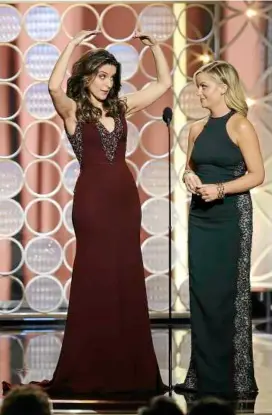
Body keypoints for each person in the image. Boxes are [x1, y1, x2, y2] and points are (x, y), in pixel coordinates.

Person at [2, 29, 171, 399]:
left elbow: (163, 83)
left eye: (112, 77)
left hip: (125, 201)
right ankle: (89, 365)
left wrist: (156, 48)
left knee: (125, 277)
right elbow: (52, 86)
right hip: (92, 202)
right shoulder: (73, 110)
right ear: (88, 76)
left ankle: (130, 368)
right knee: (95, 278)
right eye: (102, 76)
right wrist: (72, 44)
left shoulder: (121, 107)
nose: (108, 84)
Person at [174, 60, 264, 399]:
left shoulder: (240, 125)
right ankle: (200, 376)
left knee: (229, 297)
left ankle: (236, 380)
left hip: (231, 216)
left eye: (204, 86)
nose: (198, 92)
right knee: (202, 296)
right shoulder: (196, 128)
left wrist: (222, 189)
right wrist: (190, 178)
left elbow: (257, 175)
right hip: (200, 217)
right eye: (197, 86)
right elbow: (188, 169)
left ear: (223, 88)